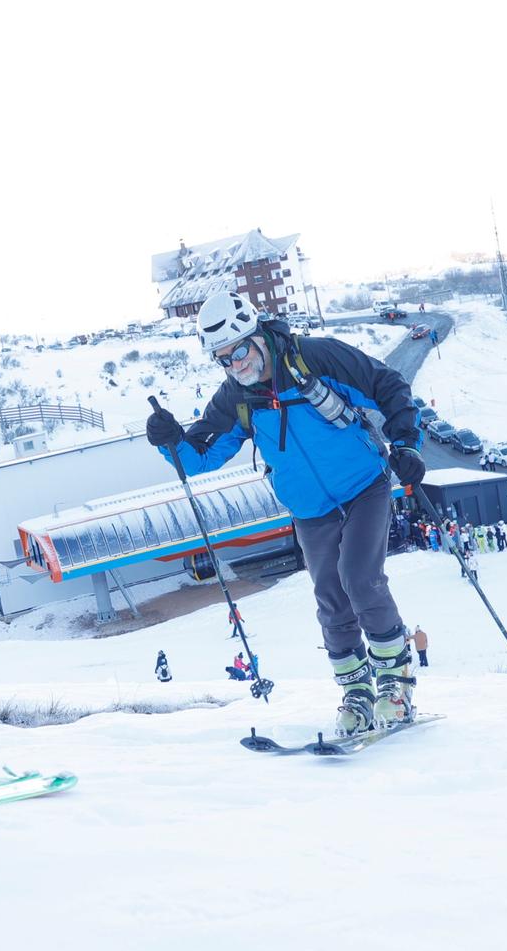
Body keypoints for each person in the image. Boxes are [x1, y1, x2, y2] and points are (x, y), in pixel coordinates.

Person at [146, 291, 424, 736]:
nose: (236, 364)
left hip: (363, 486)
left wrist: (407, 443)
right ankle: (356, 692)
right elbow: (198, 459)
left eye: (239, 351)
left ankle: (395, 682)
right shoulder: (236, 397)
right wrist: (169, 440)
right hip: (309, 508)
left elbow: (387, 385)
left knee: (359, 578)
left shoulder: (317, 357)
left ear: (258, 335)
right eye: (223, 359)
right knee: (331, 598)